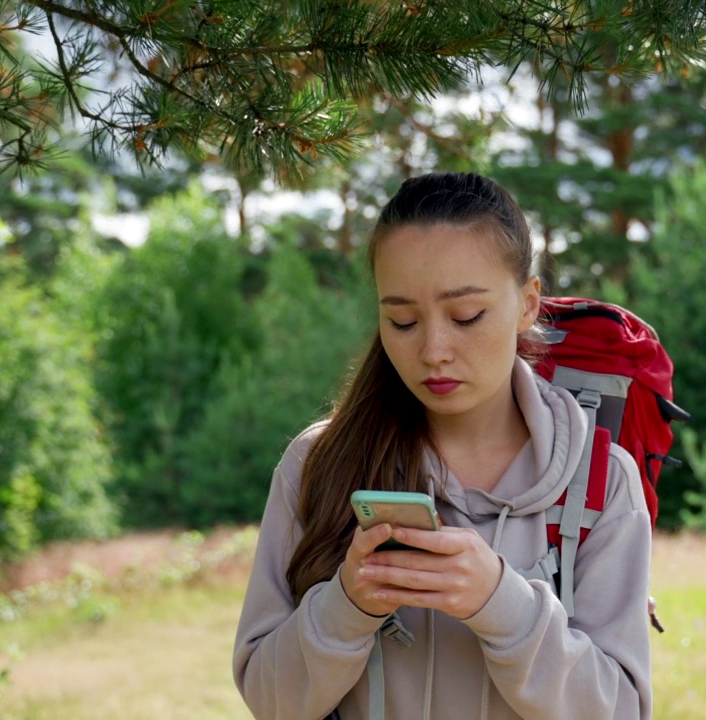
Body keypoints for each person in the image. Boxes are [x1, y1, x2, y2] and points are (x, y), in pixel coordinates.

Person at [232, 172, 653, 719]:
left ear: (528, 303)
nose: (433, 350)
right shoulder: (318, 464)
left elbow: (620, 711)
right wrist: (346, 607)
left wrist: (503, 605)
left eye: (466, 316)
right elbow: (270, 702)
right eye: (402, 320)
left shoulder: (602, 481)